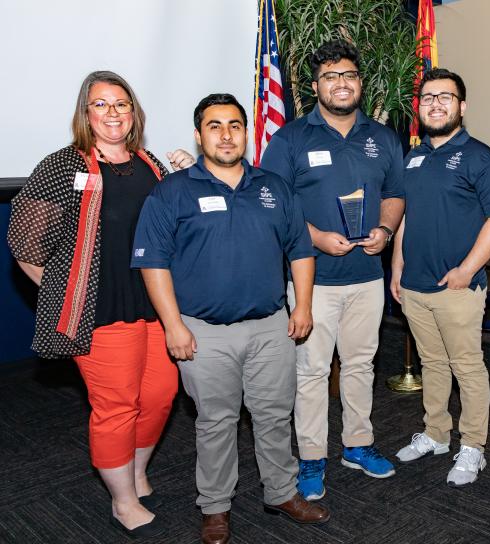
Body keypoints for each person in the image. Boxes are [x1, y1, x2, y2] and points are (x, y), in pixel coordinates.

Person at [131, 94, 329, 543]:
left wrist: (302, 306)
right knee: (216, 422)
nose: (226, 134)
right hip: (202, 332)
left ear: (246, 132)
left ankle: (281, 491)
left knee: (275, 416)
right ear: (198, 135)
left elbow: (299, 248)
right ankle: (215, 506)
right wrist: (173, 325)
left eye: (235, 125)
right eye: (215, 125)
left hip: (270, 327)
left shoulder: (274, 187)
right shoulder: (172, 192)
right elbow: (153, 263)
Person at [7, 70, 194, 538]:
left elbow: (183, 225)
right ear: (85, 113)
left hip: (156, 307)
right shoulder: (61, 166)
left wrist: (188, 175)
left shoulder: (150, 163)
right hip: (101, 312)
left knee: (159, 397)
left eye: (122, 103)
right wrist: (64, 290)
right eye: (101, 104)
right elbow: (24, 244)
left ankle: (134, 472)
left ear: (134, 113)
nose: (113, 112)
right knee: (117, 406)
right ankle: (122, 501)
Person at [260, 40, 404, 499]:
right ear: (315, 85)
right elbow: (272, 205)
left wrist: (385, 227)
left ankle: (358, 445)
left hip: (368, 278)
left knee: (361, 365)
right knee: (311, 372)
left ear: (360, 83)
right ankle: (311, 457)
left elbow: (396, 193)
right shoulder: (291, 139)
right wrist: (316, 238)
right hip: (312, 281)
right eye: (330, 76)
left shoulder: (382, 137)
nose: (341, 84)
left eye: (349, 76)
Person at [390, 68, 490, 487]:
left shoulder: (481, 157)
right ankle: (437, 434)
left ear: (462, 106)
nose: (435, 104)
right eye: (427, 98)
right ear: (418, 107)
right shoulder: (414, 157)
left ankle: (473, 446)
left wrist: (467, 270)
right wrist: (397, 266)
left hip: (458, 287)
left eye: (445, 97)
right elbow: (405, 214)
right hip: (415, 287)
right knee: (432, 363)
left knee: (468, 368)